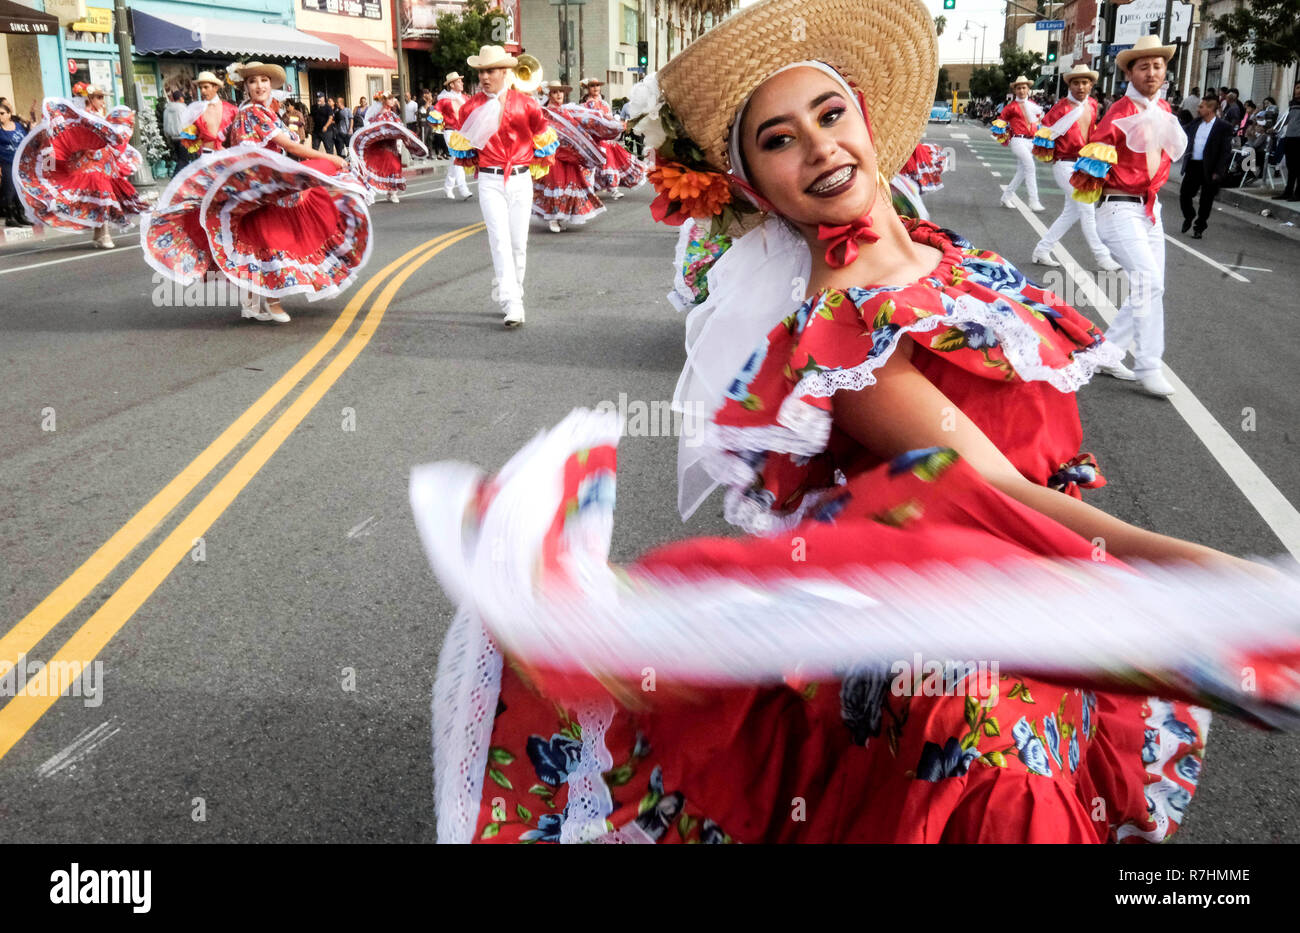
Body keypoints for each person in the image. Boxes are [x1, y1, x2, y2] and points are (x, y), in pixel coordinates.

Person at [411, 0, 1291, 846]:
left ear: (866, 117)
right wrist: (1217, 583)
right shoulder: (845, 328)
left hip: (1033, 588)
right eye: (779, 140)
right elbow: (1004, 495)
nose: (820, 146)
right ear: (755, 185)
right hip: (973, 632)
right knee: (1003, 792)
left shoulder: (953, 255)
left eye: (830, 113)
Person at [141, 62, 372, 325]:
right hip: (262, 185)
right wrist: (329, 156)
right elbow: (289, 147)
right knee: (270, 240)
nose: (259, 85)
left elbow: (282, 146)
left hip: (263, 183)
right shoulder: (252, 113)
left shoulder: (261, 112)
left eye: (264, 80)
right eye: (253, 81)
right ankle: (272, 301)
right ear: (245, 86)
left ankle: (252, 304)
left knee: (255, 239)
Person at [1070, 34, 1185, 398]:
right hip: (1119, 206)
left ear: (1165, 71)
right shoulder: (1120, 112)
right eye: (1143, 66)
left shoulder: (1164, 111)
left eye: (1157, 66)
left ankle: (1106, 353)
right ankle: (1148, 364)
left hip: (1151, 208)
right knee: (1149, 283)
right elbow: (1090, 163)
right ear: (1130, 73)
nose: (1151, 72)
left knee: (1152, 286)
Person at [447, 46, 557, 327]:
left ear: (505, 72)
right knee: (499, 241)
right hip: (490, 180)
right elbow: (466, 147)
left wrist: (537, 165)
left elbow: (543, 138)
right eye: (481, 71)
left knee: (519, 243)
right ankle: (512, 302)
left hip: (520, 179)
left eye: (491, 70)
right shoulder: (470, 106)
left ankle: (514, 292)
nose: (485, 76)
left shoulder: (527, 104)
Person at [12, 84, 145, 249]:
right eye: (99, 97)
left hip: (103, 164)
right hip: (86, 165)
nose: (102, 101)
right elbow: (59, 139)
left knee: (100, 196)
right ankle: (104, 234)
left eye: (103, 97)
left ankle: (99, 233)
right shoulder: (80, 117)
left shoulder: (102, 117)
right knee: (102, 193)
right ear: (88, 98)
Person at [1030, 63, 1120, 271]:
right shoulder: (1060, 108)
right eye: (1076, 83)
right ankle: (1102, 257)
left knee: (1072, 212)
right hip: (1063, 164)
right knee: (1087, 210)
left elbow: (1092, 133)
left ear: (1091, 85)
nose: (1080, 87)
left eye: (1085, 83)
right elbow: (1044, 133)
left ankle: (1042, 250)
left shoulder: (1092, 105)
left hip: (1082, 164)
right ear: (1070, 85)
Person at [532, 80, 622, 232]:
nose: (559, 94)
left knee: (570, 185)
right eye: (555, 92)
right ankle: (553, 219)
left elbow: (581, 126)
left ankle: (560, 217)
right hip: (554, 156)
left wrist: (611, 126)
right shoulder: (545, 112)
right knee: (555, 183)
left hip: (570, 156)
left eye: (560, 91)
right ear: (549, 94)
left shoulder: (568, 110)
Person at [350, 92, 429, 204]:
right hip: (380, 147)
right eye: (390, 99)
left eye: (393, 99)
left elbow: (400, 129)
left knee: (394, 165)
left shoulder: (393, 115)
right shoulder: (377, 117)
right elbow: (373, 131)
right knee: (382, 166)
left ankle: (392, 192)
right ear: (383, 101)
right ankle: (379, 191)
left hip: (392, 145)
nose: (393, 101)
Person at [579, 77, 646, 199]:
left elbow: (609, 120)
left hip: (605, 140)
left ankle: (613, 189)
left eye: (597, 85)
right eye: (592, 86)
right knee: (592, 166)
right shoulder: (584, 105)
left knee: (610, 161)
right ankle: (591, 190)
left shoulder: (604, 104)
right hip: (593, 140)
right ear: (588, 89)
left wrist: (616, 126)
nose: (596, 88)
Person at [1179, 94, 1233, 240]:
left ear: (1210, 108)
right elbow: (1181, 132)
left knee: (1206, 200)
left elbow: (1225, 152)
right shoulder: (1196, 123)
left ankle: (1199, 227)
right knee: (1185, 194)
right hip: (1193, 165)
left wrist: (1219, 171)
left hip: (1210, 168)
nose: (1198, 109)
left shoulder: (1223, 127)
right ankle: (1189, 215)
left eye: (1201, 106)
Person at [993, 74, 1045, 211]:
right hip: (1018, 140)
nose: (1021, 90)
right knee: (1030, 167)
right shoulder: (1011, 107)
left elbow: (1039, 123)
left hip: (1031, 141)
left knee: (1022, 172)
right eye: (1019, 88)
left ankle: (1006, 197)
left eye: (1024, 88)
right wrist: (1004, 135)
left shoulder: (1034, 105)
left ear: (1028, 89)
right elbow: (1000, 122)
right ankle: (1034, 201)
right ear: (1015, 90)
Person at [436, 72, 472, 198]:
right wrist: (437, 121)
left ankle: (448, 186)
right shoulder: (444, 100)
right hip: (450, 131)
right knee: (458, 158)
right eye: (458, 81)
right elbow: (435, 113)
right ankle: (463, 189)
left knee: (454, 160)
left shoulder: (466, 98)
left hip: (462, 133)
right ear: (452, 84)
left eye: (461, 81)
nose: (461, 83)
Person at [0, 100, 32, 227]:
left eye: (2, 113)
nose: (0, 116)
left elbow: (28, 138)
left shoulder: (18, 126)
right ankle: (10, 216)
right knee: (10, 189)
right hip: (7, 162)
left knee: (21, 188)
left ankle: (21, 215)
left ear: (9, 114)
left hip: (21, 162)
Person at [1273, 82, 1300, 202]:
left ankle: (1298, 193)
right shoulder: (1292, 105)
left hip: (1299, 138)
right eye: (1298, 88)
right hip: (1289, 137)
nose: (1299, 90)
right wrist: (1274, 128)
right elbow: (1285, 120)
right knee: (1291, 167)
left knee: (1298, 167)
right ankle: (1288, 191)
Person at [162, 90, 188, 171]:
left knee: (180, 159)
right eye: (183, 98)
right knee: (184, 160)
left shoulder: (167, 109)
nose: (184, 100)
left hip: (173, 138)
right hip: (183, 137)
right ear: (180, 98)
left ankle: (180, 179)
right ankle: (175, 178)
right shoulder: (182, 108)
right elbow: (187, 122)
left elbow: (165, 123)